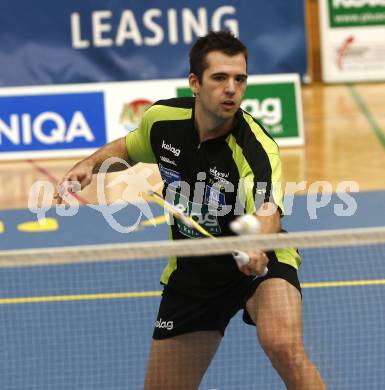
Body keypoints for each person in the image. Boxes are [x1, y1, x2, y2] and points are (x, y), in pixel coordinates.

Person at [55, 31, 326, 389]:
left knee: (282, 343)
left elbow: (267, 210)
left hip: (258, 261)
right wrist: (91, 164)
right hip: (194, 267)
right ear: (195, 83)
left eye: (239, 78)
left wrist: (257, 248)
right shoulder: (164, 120)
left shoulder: (256, 149)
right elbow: (130, 148)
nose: (231, 88)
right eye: (220, 78)